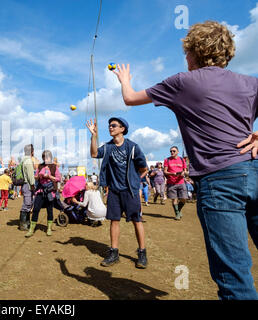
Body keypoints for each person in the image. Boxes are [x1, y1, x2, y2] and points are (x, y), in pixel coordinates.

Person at [112, 21, 258, 299]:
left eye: (186, 51)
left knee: (235, 277)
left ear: (193, 52)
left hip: (220, 181)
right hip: (255, 170)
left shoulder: (181, 82)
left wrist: (125, 81)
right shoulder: (251, 83)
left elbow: (130, 99)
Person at [87, 117, 148, 269]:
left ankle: (142, 253)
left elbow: (144, 169)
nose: (110, 127)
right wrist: (93, 135)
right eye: (109, 125)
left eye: (114, 125)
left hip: (130, 191)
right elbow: (94, 154)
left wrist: (135, 183)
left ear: (122, 129)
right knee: (114, 221)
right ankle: (114, 253)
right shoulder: (108, 147)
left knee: (136, 220)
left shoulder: (133, 147)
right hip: (114, 191)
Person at [25, 150, 61, 237]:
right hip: (40, 191)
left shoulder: (54, 167)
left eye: (47, 157)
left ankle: (49, 228)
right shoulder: (40, 166)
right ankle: (31, 229)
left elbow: (58, 178)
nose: (46, 158)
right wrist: (38, 176)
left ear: (50, 157)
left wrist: (49, 176)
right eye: (44, 157)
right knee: (36, 209)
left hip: (50, 191)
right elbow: (36, 177)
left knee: (50, 210)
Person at [164, 146, 188, 220]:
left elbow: (185, 171)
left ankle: (179, 210)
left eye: (174, 151)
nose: (172, 152)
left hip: (181, 182)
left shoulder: (182, 159)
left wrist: (183, 173)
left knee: (184, 199)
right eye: (171, 151)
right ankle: (177, 214)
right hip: (171, 183)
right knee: (174, 199)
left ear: (178, 152)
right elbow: (165, 171)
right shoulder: (167, 160)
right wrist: (172, 173)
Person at [18, 144, 35, 231]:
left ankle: (26, 223)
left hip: (24, 184)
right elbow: (30, 175)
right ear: (32, 152)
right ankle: (23, 224)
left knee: (27, 203)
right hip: (27, 184)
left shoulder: (23, 160)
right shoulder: (28, 161)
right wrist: (32, 185)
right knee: (27, 204)